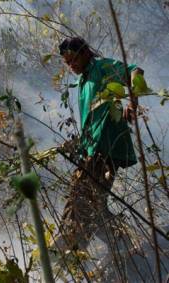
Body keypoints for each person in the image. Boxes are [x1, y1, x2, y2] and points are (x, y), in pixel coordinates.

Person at [52, 37, 143, 263]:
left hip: (107, 147)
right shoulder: (83, 82)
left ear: (84, 53)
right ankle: (124, 247)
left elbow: (135, 72)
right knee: (95, 204)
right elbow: (91, 122)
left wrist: (133, 103)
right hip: (93, 149)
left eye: (73, 60)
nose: (71, 66)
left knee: (81, 198)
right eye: (67, 63)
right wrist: (76, 144)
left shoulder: (102, 67)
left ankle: (70, 249)